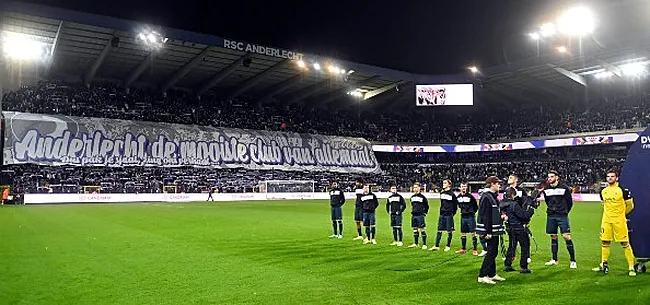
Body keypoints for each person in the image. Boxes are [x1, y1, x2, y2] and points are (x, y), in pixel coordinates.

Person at [592, 169, 637, 276]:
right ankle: (603, 264)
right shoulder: (603, 191)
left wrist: (621, 214)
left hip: (619, 221)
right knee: (605, 242)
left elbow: (630, 206)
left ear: (616, 178)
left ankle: (631, 267)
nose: (610, 178)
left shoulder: (623, 191)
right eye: (608, 176)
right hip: (606, 221)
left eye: (612, 176)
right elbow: (604, 204)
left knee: (625, 243)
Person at [542, 170, 577, 269]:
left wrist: (564, 211)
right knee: (553, 236)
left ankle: (573, 260)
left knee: (566, 237)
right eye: (549, 177)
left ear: (557, 177)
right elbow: (547, 201)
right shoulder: (546, 189)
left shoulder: (564, 188)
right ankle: (554, 259)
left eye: (552, 177)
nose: (550, 179)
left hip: (562, 216)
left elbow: (569, 202)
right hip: (551, 216)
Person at [477, 176, 506, 285]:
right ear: (492, 184)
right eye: (498, 183)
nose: (499, 185)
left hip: (493, 229)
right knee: (491, 252)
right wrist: (487, 231)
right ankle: (482, 275)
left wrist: (500, 217)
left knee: (493, 251)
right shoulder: (486, 197)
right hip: (490, 230)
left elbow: (493, 213)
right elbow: (485, 215)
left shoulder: (491, 196)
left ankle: (491, 274)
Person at [502, 188, 535, 274]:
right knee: (525, 246)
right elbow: (524, 216)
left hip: (510, 227)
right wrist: (531, 210)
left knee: (512, 245)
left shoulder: (503, 203)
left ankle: (507, 264)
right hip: (518, 228)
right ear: (513, 195)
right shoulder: (514, 204)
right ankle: (524, 267)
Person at [431, 179, 458, 252]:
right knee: (439, 230)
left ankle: (448, 246)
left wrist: (452, 213)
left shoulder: (452, 194)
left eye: (445, 183)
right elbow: (442, 203)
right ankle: (436, 246)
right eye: (443, 183)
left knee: (449, 231)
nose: (443, 184)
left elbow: (455, 206)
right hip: (442, 214)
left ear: (449, 184)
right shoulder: (442, 193)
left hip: (449, 215)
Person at [455, 182, 481, 255]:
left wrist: (472, 212)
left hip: (470, 216)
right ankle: (463, 248)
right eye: (462, 186)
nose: (463, 187)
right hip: (463, 216)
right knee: (463, 233)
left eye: (464, 186)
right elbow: (459, 205)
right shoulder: (458, 197)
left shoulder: (470, 196)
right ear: (460, 187)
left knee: (473, 233)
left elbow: (476, 206)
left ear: (466, 187)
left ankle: (475, 249)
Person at [408, 183, 430, 250]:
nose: (415, 189)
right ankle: (416, 243)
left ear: (419, 188)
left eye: (416, 187)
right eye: (414, 187)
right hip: (414, 215)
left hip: (420, 215)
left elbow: (427, 206)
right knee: (415, 229)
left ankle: (424, 244)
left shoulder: (423, 197)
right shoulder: (412, 197)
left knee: (422, 229)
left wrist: (424, 213)